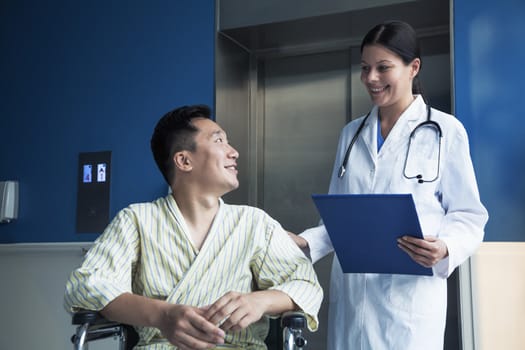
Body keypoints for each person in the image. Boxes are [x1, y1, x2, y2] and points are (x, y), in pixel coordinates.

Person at [289, 21, 488, 350]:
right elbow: (338, 222)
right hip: (352, 303)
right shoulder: (351, 134)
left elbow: (469, 214)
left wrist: (446, 247)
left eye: (383, 68)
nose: (371, 79)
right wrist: (303, 243)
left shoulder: (445, 131)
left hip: (408, 304)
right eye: (365, 68)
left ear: (414, 68)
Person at [64, 105, 323, 350]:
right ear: (184, 161)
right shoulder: (135, 220)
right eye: (219, 141)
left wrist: (261, 301)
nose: (234, 152)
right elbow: (88, 283)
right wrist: (163, 315)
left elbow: (305, 284)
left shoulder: (255, 223)